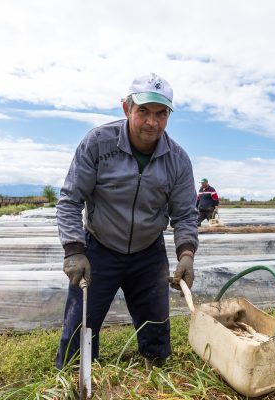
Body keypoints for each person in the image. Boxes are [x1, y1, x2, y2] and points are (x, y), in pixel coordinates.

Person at [55, 72, 198, 369]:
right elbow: (70, 199)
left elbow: (184, 213)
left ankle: (155, 376)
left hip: (148, 252)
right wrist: (74, 250)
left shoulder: (178, 160)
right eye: (143, 111)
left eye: (161, 114)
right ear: (126, 109)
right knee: (81, 325)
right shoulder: (98, 143)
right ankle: (72, 378)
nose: (151, 122)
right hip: (99, 248)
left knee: (155, 326)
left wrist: (186, 254)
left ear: (168, 116)